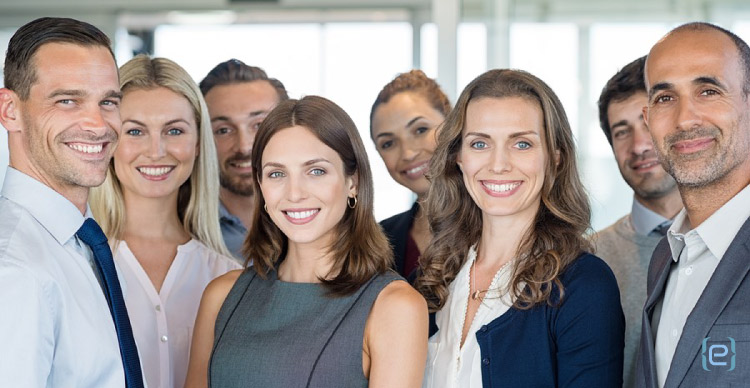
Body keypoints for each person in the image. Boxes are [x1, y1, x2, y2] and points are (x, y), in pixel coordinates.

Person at [184, 95, 428, 388]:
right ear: (261, 186)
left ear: (354, 182)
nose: (295, 193)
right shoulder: (221, 296)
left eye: (316, 171)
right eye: (277, 173)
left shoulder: (395, 306)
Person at [416, 69, 625, 388]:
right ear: (458, 157)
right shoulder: (433, 279)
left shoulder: (583, 285)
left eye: (522, 144)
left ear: (555, 158)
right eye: (480, 143)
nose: (498, 164)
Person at [0, 17, 145, 387]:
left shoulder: (84, 244)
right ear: (10, 110)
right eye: (68, 100)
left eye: (108, 101)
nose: (97, 125)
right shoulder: (15, 271)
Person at [89, 55, 241, 388]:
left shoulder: (226, 276)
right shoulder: (79, 264)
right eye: (135, 131)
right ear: (109, 140)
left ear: (199, 143)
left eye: (174, 130)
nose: (156, 151)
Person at [636, 22, 750, 387]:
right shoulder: (666, 258)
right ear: (648, 119)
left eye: (709, 91)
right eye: (665, 98)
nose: (685, 119)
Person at [595, 55, 683, 388]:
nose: (639, 146)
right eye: (621, 132)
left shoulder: (736, 242)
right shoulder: (588, 258)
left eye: (647, 124)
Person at [199, 59, 289, 260]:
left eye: (258, 125)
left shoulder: (327, 225)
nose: (244, 146)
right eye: (223, 130)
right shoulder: (184, 232)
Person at [370, 70, 450, 278]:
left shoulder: (497, 224)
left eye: (420, 130)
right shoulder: (380, 241)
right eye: (388, 143)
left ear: (452, 124)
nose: (408, 153)